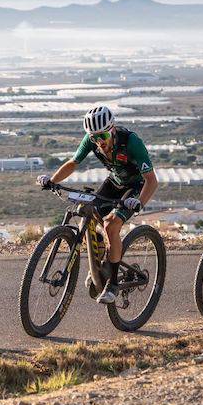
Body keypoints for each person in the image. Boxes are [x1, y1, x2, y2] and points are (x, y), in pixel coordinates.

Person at [37, 106, 158, 304]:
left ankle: (112, 284)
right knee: (89, 211)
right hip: (115, 181)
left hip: (137, 186)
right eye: (94, 137)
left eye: (102, 135)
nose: (99, 141)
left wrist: (139, 203)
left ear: (112, 129)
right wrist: (52, 180)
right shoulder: (91, 140)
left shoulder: (132, 142)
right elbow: (73, 163)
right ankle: (101, 263)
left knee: (111, 225)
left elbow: (152, 180)